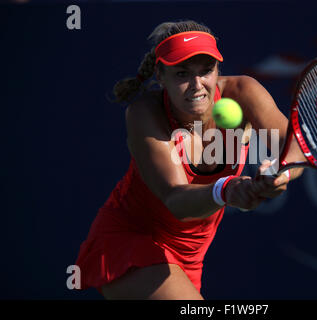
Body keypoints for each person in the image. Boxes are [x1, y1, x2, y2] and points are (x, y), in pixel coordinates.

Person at [75, 20, 305, 300]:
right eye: (182, 73)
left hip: (190, 259)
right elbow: (176, 199)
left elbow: (293, 149)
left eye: (206, 71)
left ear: (218, 69)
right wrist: (228, 189)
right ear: (160, 75)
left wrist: (280, 175)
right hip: (129, 241)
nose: (197, 85)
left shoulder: (243, 92)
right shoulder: (145, 113)